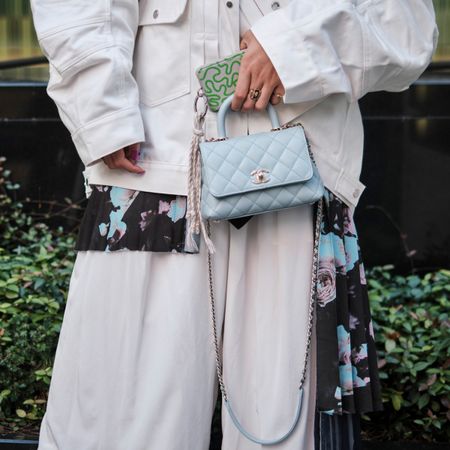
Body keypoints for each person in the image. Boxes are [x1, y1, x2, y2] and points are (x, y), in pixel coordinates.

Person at [30, 1, 438, 449]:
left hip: (298, 173)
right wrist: (101, 112)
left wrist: (291, 46)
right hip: (150, 166)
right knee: (117, 421)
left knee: (281, 423)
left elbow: (408, 27)